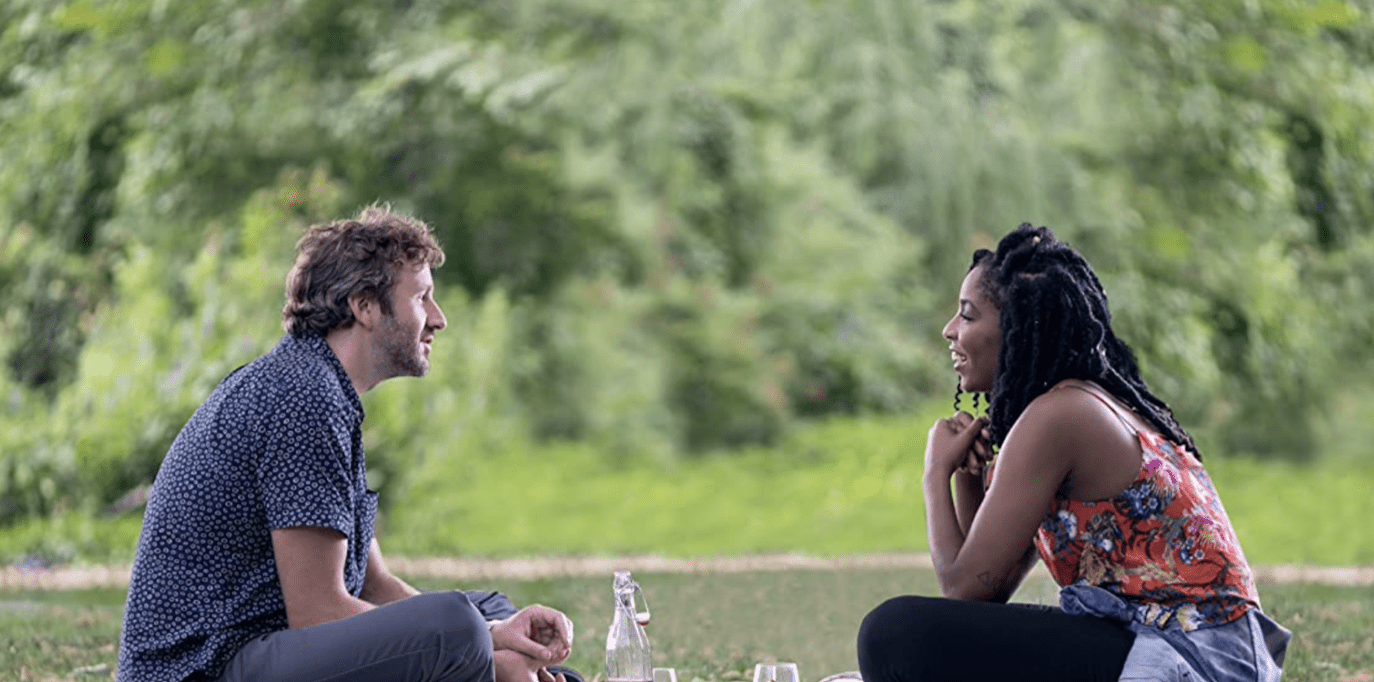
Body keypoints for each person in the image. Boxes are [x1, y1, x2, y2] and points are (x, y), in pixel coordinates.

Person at [118, 205, 578, 682]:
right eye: (422, 298)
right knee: (456, 626)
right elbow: (318, 612)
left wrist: (497, 630)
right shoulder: (302, 398)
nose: (438, 319)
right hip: (207, 669)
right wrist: (478, 640)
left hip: (262, 652)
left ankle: (512, 668)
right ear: (364, 306)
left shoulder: (323, 389)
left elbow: (374, 585)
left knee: (486, 610)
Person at [857, 224, 1291, 682]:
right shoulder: (1071, 408)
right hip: (1192, 650)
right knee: (911, 636)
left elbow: (962, 590)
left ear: (1018, 326)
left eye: (967, 315)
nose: (949, 330)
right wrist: (969, 474)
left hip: (1194, 656)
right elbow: (989, 588)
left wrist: (934, 474)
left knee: (891, 633)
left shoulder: (1060, 416)